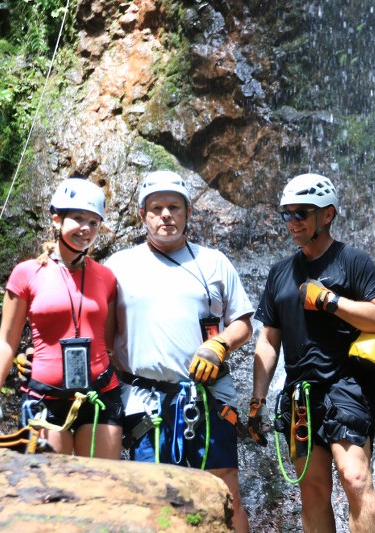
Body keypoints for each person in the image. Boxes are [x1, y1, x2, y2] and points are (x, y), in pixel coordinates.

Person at [104, 170, 254, 533]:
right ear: (143, 215)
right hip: (145, 400)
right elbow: (102, 333)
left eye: (174, 206)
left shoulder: (213, 262)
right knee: (151, 492)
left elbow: (244, 324)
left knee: (223, 485)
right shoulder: (119, 266)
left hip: (207, 396)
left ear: (188, 212)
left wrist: (220, 344)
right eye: (156, 208)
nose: (166, 215)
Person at [247, 173, 375, 533]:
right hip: (299, 392)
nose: (292, 222)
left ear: (326, 215)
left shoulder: (353, 261)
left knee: (356, 477)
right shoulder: (280, 273)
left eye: (301, 213)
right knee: (312, 491)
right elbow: (268, 340)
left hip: (347, 385)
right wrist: (257, 399)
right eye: (287, 214)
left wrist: (330, 301)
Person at [0, 176, 123, 459]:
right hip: (45, 396)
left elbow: (107, 343)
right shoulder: (27, 273)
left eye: (94, 222)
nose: (86, 229)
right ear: (57, 219)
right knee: (50, 492)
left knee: (101, 488)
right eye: (79, 218)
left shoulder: (106, 278)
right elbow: (7, 340)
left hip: (100, 394)